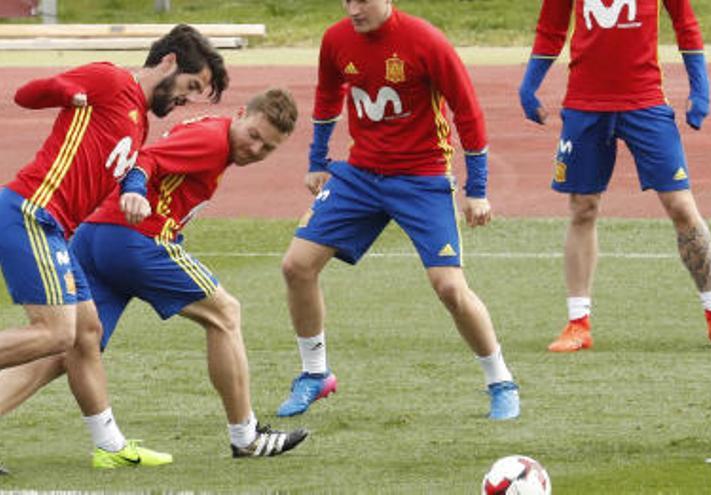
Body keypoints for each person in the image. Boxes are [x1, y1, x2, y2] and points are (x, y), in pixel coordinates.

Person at [0, 89, 309, 463]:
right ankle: (247, 437)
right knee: (225, 313)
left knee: (66, 350)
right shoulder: (212, 139)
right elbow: (143, 158)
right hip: (133, 241)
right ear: (241, 113)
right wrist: (135, 192)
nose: (255, 149)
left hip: (94, 235)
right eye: (254, 136)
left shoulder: (212, 135)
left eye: (268, 148)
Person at [275, 0, 520, 421]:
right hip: (360, 175)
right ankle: (315, 374)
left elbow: (467, 110)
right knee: (296, 266)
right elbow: (328, 94)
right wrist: (317, 160)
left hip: (421, 179)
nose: (353, 9)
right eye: (346, 0)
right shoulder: (335, 39)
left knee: (449, 287)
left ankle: (501, 381)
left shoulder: (425, 41)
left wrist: (477, 190)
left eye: (362, 0)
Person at [0, 24, 228, 471]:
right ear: (168, 63)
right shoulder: (111, 80)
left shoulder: (137, 119)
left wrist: (137, 187)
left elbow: (127, 163)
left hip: (53, 228)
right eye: (190, 86)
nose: (187, 99)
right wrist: (65, 88)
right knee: (57, 333)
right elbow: (26, 94)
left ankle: (110, 445)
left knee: (86, 335)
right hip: (30, 212)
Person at [518, 0, 711, 352]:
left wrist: (700, 89)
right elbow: (551, 28)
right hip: (585, 104)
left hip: (645, 102)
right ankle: (578, 322)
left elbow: (685, 24)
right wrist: (529, 84)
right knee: (582, 207)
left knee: (681, 206)